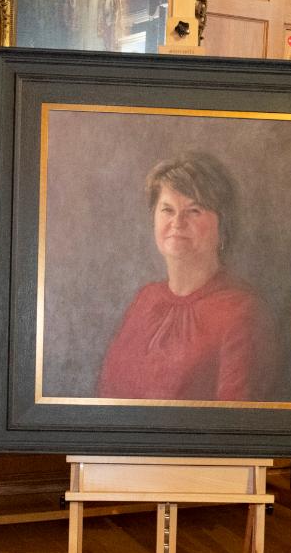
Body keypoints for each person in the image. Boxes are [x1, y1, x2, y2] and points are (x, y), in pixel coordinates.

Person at [97, 153, 274, 401]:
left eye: (194, 211)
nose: (177, 222)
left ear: (222, 224)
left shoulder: (241, 311)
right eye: (167, 210)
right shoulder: (145, 299)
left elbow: (235, 422)